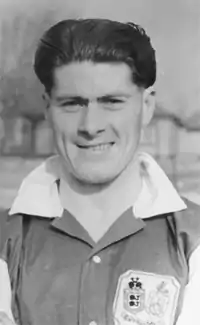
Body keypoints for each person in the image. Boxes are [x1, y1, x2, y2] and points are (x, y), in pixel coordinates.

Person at [0, 18, 200, 325]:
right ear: (47, 109)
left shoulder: (194, 241)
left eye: (112, 102)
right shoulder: (6, 240)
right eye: (72, 103)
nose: (91, 126)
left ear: (146, 107)